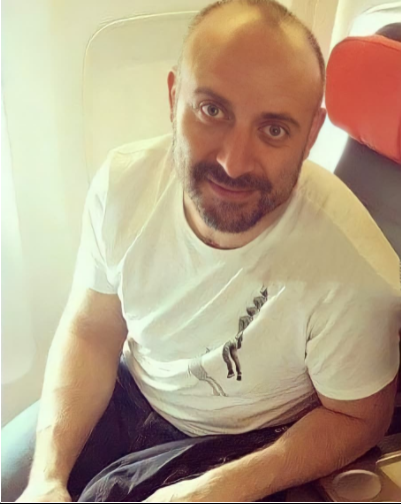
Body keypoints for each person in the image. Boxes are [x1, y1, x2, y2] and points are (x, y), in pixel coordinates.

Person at [8, 0, 400, 502]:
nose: (234, 163)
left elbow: (358, 417)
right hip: (130, 392)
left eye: (274, 129)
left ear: (311, 135)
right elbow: (92, 330)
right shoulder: (123, 184)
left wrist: (213, 489)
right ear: (175, 97)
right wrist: (46, 477)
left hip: (251, 438)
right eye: (213, 111)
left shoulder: (355, 269)